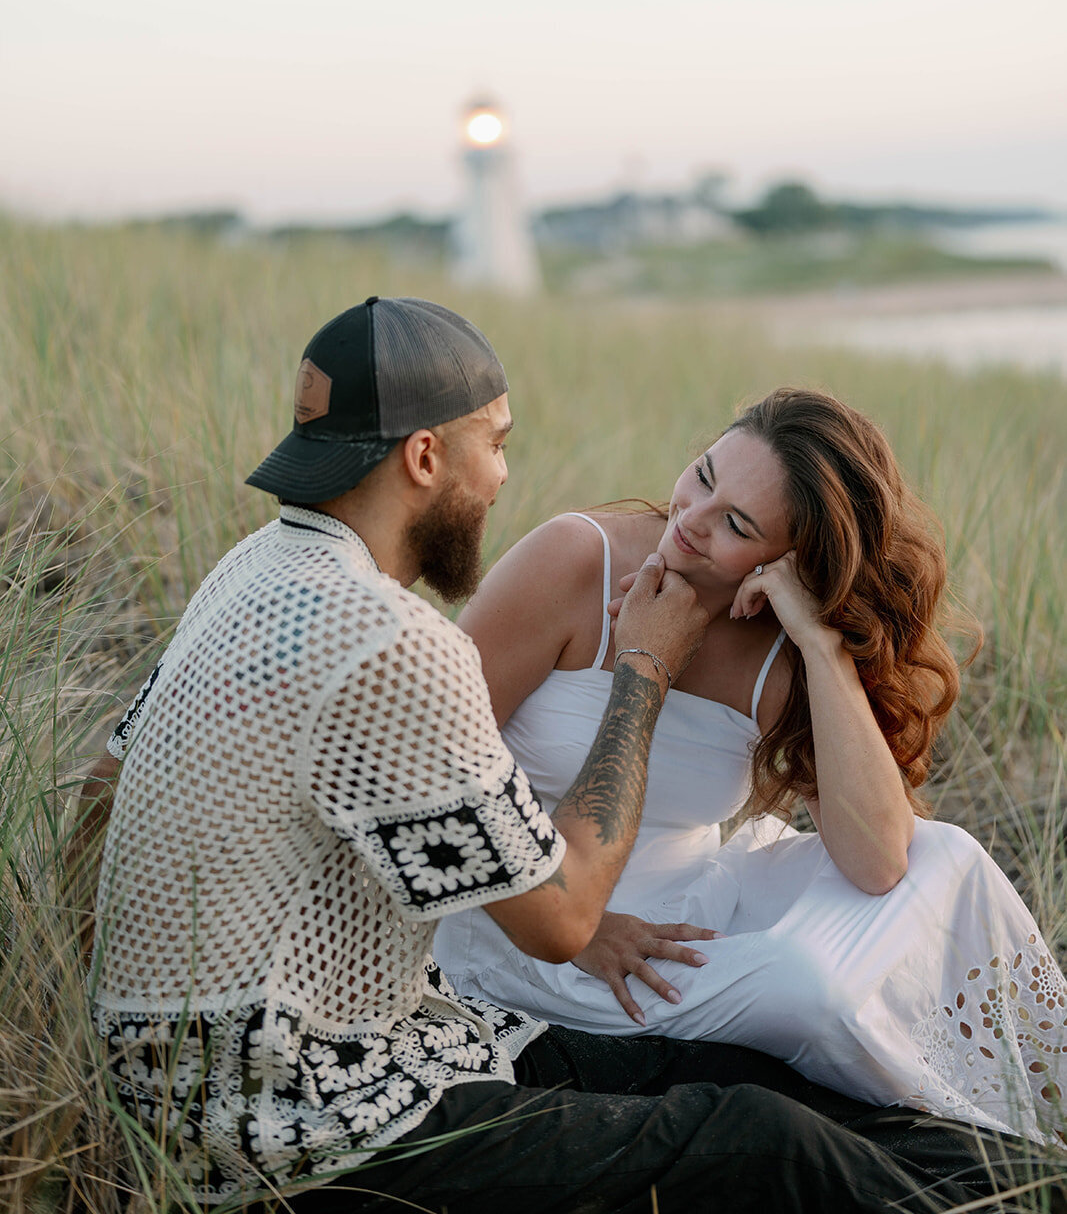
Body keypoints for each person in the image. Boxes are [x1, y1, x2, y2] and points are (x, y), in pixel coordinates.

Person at [75, 302, 1047, 1214]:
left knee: (768, 1081)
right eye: (494, 445)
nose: (504, 476)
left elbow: (102, 784)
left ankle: (1025, 1180)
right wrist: (642, 668)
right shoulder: (395, 647)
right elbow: (562, 918)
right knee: (758, 1136)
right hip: (310, 1121)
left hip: (368, 1042)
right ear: (423, 456)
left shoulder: (256, 567)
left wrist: (116, 1023)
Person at [435, 386, 1067, 1153]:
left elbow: (877, 860)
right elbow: (430, 774)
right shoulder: (575, 561)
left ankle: (1042, 1117)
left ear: (789, 559)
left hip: (697, 899)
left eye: (737, 525)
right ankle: (967, 1130)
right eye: (702, 477)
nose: (691, 521)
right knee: (806, 988)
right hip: (535, 925)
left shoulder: (776, 637)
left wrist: (817, 642)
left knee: (949, 859)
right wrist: (573, 924)